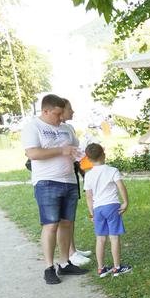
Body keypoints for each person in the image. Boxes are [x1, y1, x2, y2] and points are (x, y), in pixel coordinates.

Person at [22, 94, 88, 285]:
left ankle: (65, 262)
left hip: (69, 181)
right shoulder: (34, 127)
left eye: (62, 114)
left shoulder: (67, 128)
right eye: (57, 114)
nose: (61, 118)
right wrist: (61, 150)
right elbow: (32, 153)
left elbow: (76, 150)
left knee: (67, 223)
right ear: (46, 111)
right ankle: (49, 267)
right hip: (47, 182)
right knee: (51, 225)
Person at [82, 143, 132, 278]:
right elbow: (121, 187)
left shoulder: (88, 175)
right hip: (111, 206)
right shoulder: (112, 170)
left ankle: (101, 269)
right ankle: (117, 267)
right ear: (104, 155)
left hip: (97, 209)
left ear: (88, 158)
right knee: (114, 237)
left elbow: (88, 196)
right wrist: (125, 202)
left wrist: (92, 212)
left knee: (100, 238)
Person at [59, 99, 92, 267]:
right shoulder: (55, 129)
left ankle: (73, 249)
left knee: (70, 216)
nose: (73, 111)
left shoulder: (68, 128)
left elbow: (76, 152)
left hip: (71, 174)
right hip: (61, 177)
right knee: (65, 218)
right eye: (70, 109)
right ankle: (70, 253)